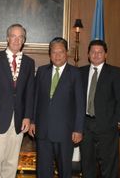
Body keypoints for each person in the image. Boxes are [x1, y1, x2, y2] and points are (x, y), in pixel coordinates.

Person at [0, 23, 35, 178]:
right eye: (13, 36)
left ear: (24, 40)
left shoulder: (29, 62)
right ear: (7, 38)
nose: (17, 40)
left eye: (21, 37)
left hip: (18, 122)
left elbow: (29, 92)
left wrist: (27, 116)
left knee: (11, 164)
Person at [29, 37, 85, 178]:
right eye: (54, 52)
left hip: (65, 132)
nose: (57, 55)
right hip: (43, 131)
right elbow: (35, 99)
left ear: (66, 53)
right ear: (49, 54)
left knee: (64, 170)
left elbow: (80, 103)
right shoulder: (42, 71)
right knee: (42, 170)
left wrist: (78, 129)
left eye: (61, 52)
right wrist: (32, 121)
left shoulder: (75, 73)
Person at [79, 39, 120, 178]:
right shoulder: (80, 72)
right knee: (87, 165)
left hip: (107, 126)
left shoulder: (115, 73)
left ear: (105, 55)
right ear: (88, 54)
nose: (96, 54)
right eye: (93, 51)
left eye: (100, 52)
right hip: (85, 125)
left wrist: (117, 121)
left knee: (108, 166)